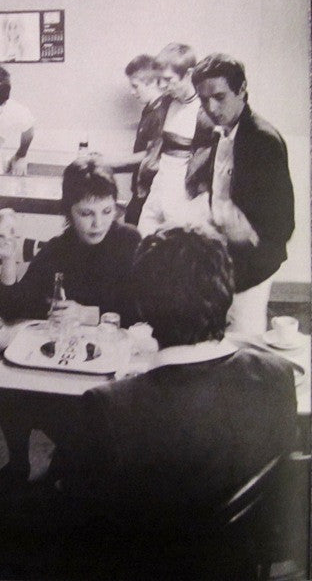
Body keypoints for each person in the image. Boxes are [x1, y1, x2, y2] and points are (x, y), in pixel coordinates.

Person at [49, 227, 298, 579]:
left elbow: (76, 516)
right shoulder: (278, 375)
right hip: (234, 564)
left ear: (143, 308)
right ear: (226, 295)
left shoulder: (108, 406)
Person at [186, 53, 295, 334]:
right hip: (224, 255)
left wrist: (245, 233)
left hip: (252, 262)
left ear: (242, 89)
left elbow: (283, 225)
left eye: (219, 97)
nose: (211, 108)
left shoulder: (263, 140)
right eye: (203, 99)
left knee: (244, 338)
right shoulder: (221, 129)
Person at [0, 154, 141, 327]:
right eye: (86, 213)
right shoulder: (56, 250)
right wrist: (8, 259)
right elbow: (11, 312)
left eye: (107, 211)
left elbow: (143, 312)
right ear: (68, 211)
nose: (98, 224)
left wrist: (86, 314)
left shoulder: (130, 240)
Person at [137, 43, 214, 236]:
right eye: (159, 80)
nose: (162, 86)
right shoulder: (166, 103)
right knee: (143, 239)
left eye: (168, 79)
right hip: (159, 186)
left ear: (188, 74)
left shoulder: (205, 111)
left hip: (185, 196)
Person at [115, 54, 167, 225]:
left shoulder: (159, 113)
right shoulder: (151, 109)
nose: (132, 92)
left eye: (135, 86)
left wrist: (110, 162)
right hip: (140, 192)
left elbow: (150, 155)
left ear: (152, 82)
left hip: (148, 194)